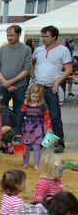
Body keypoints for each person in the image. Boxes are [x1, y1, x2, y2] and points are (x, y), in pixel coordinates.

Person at [31, 25, 72, 153]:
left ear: (54, 37)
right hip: (38, 88)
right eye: (42, 36)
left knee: (54, 116)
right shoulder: (38, 50)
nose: (43, 39)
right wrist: (33, 78)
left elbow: (69, 69)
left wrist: (57, 83)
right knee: (37, 116)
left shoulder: (63, 50)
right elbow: (31, 64)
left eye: (46, 36)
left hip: (51, 88)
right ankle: (40, 142)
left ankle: (59, 143)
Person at [0, 25, 32, 119]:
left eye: (12, 35)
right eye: (8, 35)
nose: (9, 38)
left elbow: (27, 69)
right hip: (2, 86)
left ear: (18, 34)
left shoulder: (26, 49)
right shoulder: (1, 49)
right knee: (1, 111)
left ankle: (17, 132)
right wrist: (4, 83)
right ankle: (3, 131)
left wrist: (9, 82)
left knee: (18, 112)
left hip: (19, 86)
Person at [17, 84, 51, 169]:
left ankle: (36, 164)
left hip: (38, 128)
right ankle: (25, 163)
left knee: (37, 146)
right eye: (33, 96)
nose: (35, 98)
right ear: (29, 95)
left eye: (37, 97)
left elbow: (47, 117)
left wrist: (48, 128)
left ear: (40, 96)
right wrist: (18, 131)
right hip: (27, 128)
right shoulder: (25, 104)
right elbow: (20, 118)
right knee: (26, 146)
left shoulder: (43, 105)